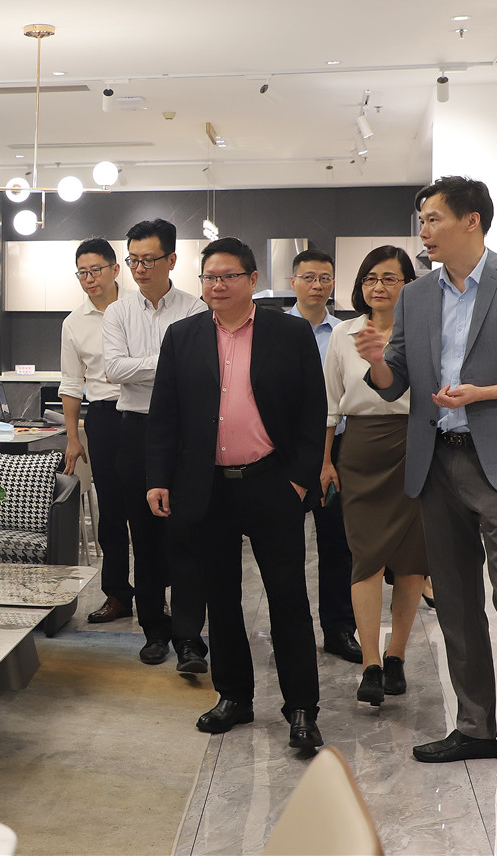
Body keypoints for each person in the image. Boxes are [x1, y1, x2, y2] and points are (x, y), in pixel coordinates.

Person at [356, 176, 497, 792]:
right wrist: (376, 358)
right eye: (421, 220)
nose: (423, 231)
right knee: (456, 603)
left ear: (471, 221)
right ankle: (475, 727)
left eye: (432, 219)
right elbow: (395, 380)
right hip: (437, 464)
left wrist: (485, 394)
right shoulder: (416, 296)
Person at [146, 237, 326, 750]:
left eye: (228, 276)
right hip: (207, 487)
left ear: (251, 280)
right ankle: (234, 696)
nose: (218, 285)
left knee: (287, 597)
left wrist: (298, 479)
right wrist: (159, 478)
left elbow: (313, 410)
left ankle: (301, 708)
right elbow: (165, 414)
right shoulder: (182, 336)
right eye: (210, 277)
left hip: (271, 481)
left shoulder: (289, 333)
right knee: (221, 597)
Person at [322, 245, 428, 707]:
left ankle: (396, 655)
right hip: (361, 451)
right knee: (365, 558)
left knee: (411, 560)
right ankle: (370, 662)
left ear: (408, 285)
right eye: (370, 278)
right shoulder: (343, 333)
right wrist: (325, 460)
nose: (378, 287)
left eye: (389, 278)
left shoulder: (422, 330)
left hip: (415, 446)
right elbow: (329, 404)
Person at [101, 218, 206, 665]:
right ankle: (153, 631)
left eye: (148, 260)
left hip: (184, 433)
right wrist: (168, 361)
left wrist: (143, 365)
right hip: (135, 430)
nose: (140, 269)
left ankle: (189, 637)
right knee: (142, 536)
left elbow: (197, 373)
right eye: (133, 261)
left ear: (172, 260)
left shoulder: (196, 309)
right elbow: (113, 370)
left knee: (186, 535)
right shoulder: (118, 312)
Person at [286, 247, 361, 665]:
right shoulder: (275, 331)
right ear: (293, 281)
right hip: (286, 453)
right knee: (286, 546)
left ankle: (339, 629)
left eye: (325, 278)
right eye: (309, 277)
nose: (317, 285)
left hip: (339, 450)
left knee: (338, 544)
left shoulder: (346, 333)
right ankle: (292, 630)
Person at [60, 238, 131, 623]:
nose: (89, 279)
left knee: (152, 511)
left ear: (115, 270)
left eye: (96, 270)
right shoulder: (74, 322)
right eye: (82, 273)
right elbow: (72, 384)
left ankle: (157, 594)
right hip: (103, 418)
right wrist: (73, 437)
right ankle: (117, 595)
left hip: (145, 414)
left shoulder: (139, 307)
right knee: (112, 511)